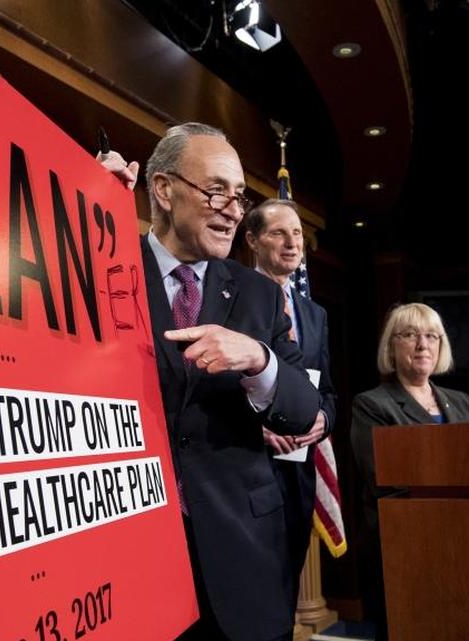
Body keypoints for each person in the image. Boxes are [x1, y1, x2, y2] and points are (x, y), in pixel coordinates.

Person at [102, 123, 321, 641]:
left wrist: (259, 361)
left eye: (239, 196)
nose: (231, 209)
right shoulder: (103, 265)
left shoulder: (260, 295)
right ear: (163, 189)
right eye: (216, 189)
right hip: (134, 559)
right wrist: (82, 203)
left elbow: (304, 406)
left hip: (243, 557)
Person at [349, 302, 469, 640]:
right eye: (410, 335)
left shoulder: (462, 401)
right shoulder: (373, 404)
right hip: (405, 547)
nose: (423, 345)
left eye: (432, 336)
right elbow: (384, 480)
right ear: (392, 346)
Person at [243, 199, 337, 616]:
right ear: (252, 240)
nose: (291, 242)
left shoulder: (314, 314)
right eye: (278, 233)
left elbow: (329, 391)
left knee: (286, 596)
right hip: (249, 469)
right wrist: (256, 429)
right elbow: (214, 388)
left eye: (297, 233)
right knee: (252, 599)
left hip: (300, 473)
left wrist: (322, 420)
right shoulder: (234, 299)